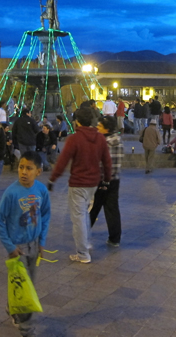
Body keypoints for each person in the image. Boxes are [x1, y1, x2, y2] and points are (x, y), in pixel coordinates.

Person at [0, 151, 51, 337]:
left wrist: (41, 241)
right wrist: (10, 247)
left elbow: (45, 215)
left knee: (29, 285)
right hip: (17, 250)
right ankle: (27, 329)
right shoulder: (11, 193)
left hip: (34, 246)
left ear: (38, 172)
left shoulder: (41, 190)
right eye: (21, 167)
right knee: (26, 290)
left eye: (29, 168)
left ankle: (12, 307)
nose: (24, 172)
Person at [48, 107, 111, 264]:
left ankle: (82, 253)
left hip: (78, 183)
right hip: (93, 183)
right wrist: (107, 180)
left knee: (78, 218)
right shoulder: (100, 138)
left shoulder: (75, 139)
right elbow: (107, 162)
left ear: (77, 121)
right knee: (84, 214)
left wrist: (53, 179)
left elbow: (62, 161)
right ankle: (86, 243)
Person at [89, 116, 123, 247]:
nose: (97, 128)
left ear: (107, 128)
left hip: (101, 180)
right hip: (114, 180)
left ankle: (83, 234)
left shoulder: (103, 143)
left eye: (100, 126)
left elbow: (99, 163)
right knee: (112, 209)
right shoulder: (118, 140)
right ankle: (115, 238)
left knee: (93, 208)